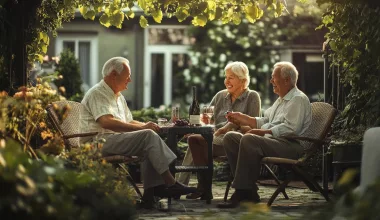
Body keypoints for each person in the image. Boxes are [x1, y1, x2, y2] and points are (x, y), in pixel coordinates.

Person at [80, 57, 196, 208]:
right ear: (114, 74)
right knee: (147, 137)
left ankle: (149, 197)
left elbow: (128, 121)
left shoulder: (118, 95)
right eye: (127, 76)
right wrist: (143, 129)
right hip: (96, 143)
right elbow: (106, 122)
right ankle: (170, 183)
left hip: (112, 139)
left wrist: (147, 125)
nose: (130, 80)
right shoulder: (98, 93)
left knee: (148, 140)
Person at [218, 61, 312, 208]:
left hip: (291, 146)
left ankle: (241, 191)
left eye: (274, 77)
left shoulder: (297, 99)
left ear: (287, 80)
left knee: (249, 139)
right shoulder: (281, 100)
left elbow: (291, 129)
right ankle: (249, 190)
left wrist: (261, 132)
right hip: (275, 142)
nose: (271, 81)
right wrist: (242, 117)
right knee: (231, 138)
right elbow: (265, 120)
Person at [179, 61, 261, 200]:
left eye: (231, 77)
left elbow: (253, 127)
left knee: (199, 141)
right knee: (193, 138)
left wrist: (233, 125)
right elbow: (207, 118)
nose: (226, 81)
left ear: (242, 80)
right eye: (226, 77)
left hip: (236, 142)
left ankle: (195, 186)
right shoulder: (220, 96)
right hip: (214, 138)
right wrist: (197, 123)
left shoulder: (252, 96)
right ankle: (203, 187)